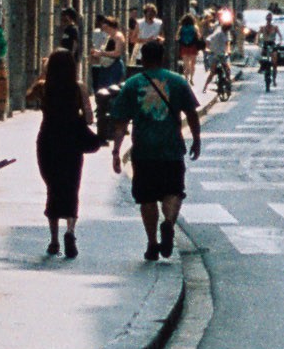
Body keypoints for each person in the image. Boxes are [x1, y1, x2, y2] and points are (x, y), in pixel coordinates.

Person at [112, 33, 203, 259]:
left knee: (147, 198)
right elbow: (192, 113)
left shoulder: (132, 85)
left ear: (142, 59)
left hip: (143, 151)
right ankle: (169, 223)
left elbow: (121, 121)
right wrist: (197, 139)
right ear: (163, 58)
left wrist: (116, 150)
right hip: (171, 149)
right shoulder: (178, 81)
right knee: (173, 191)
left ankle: (152, 243)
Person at [30, 39, 98, 261]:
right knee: (71, 186)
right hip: (72, 141)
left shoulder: (43, 87)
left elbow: (27, 97)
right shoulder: (79, 87)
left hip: (48, 140)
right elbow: (89, 117)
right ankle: (70, 231)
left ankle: (54, 240)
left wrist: (42, 73)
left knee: (53, 187)